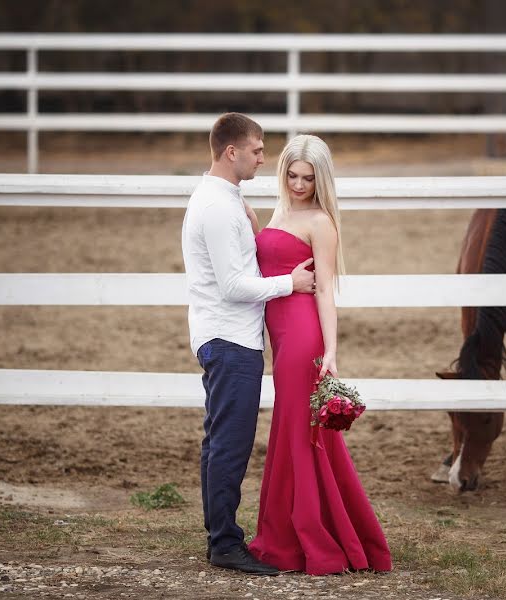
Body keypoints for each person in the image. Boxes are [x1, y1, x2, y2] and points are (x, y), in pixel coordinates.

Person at [248, 134, 393, 575]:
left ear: (320, 179)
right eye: (291, 174)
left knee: (299, 434)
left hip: (303, 338)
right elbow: (272, 261)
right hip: (280, 334)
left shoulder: (321, 221)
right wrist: (252, 223)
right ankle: (302, 532)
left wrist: (330, 349)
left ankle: (306, 539)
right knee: (296, 432)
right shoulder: (281, 210)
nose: (297, 183)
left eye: (307, 178)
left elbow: (326, 288)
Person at [182, 113, 317, 576]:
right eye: (257, 150)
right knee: (230, 444)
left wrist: (255, 230)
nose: (264, 158)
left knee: (222, 440)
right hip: (229, 337)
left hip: (230, 336)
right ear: (231, 152)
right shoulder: (218, 207)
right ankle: (224, 543)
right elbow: (234, 285)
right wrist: (290, 283)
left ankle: (221, 536)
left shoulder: (226, 199)